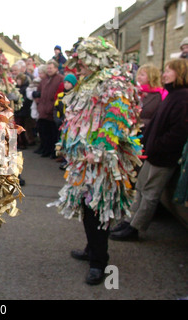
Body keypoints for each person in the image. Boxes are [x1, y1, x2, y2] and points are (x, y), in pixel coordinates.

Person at [49, 37, 142, 285]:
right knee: (86, 205)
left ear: (97, 58)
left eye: (82, 60)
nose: (78, 66)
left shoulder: (115, 81)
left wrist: (100, 147)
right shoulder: (88, 81)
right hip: (83, 159)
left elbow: (118, 115)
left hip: (103, 161)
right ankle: (92, 249)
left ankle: (99, 262)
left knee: (97, 208)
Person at [110, 58, 188, 241]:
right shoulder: (172, 95)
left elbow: (178, 133)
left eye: (169, 70)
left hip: (164, 156)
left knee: (151, 193)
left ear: (180, 74)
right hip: (154, 152)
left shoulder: (183, 98)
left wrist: (157, 146)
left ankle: (136, 227)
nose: (164, 74)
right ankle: (130, 221)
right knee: (141, 187)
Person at [33, 60, 64, 158]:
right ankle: (45, 150)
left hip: (52, 110)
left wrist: (55, 106)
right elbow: (38, 92)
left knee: (53, 134)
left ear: (56, 68)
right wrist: (38, 103)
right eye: (48, 68)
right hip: (43, 109)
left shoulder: (60, 79)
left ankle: (53, 152)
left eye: (51, 68)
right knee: (43, 132)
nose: (49, 70)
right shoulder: (44, 80)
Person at [54, 73, 77, 170]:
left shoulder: (76, 96)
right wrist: (57, 118)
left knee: (71, 141)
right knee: (62, 141)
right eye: (65, 82)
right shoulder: (60, 95)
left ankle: (71, 161)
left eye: (69, 83)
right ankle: (64, 160)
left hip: (72, 123)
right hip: (62, 122)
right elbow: (55, 108)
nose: (66, 84)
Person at [135, 64, 168, 133]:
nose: (138, 77)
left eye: (142, 75)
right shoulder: (133, 92)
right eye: (138, 74)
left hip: (146, 133)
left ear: (151, 77)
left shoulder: (158, 95)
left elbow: (158, 119)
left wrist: (138, 122)